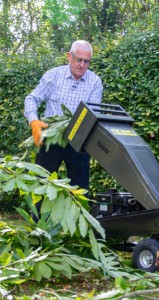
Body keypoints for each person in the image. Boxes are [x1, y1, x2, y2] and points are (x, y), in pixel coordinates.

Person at [24, 40, 103, 219]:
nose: (82, 65)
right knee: (41, 183)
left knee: (80, 189)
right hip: (50, 139)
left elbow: (94, 114)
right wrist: (34, 122)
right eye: (79, 59)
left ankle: (79, 230)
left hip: (78, 142)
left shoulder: (94, 82)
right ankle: (37, 227)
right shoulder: (54, 76)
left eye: (87, 61)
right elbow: (31, 98)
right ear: (69, 57)